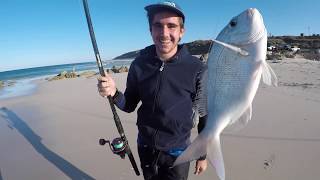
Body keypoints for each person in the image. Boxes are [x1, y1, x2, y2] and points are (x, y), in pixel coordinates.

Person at [98, 1, 208, 180]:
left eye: (171, 26)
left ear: (181, 31)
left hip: (179, 151)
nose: (164, 33)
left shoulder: (198, 69)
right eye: (158, 26)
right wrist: (113, 93)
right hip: (145, 146)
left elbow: (204, 117)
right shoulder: (139, 65)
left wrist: (202, 155)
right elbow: (129, 104)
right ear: (151, 30)